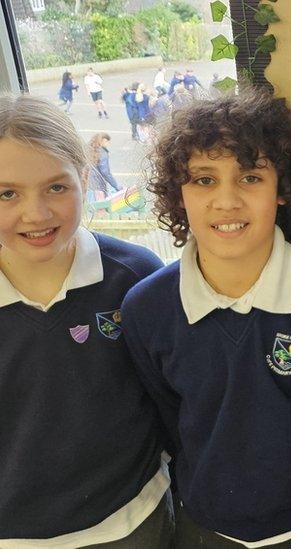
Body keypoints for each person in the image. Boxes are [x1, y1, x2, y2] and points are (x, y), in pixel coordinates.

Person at [123, 89, 291, 547]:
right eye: (203, 180)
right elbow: (169, 422)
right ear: (177, 194)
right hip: (211, 529)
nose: (226, 201)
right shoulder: (147, 309)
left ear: (282, 190)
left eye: (251, 177)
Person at [0, 94, 172, 546]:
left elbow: (171, 393)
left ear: (84, 177)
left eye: (57, 187)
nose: (35, 214)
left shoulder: (136, 276)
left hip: (136, 520)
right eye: (7, 193)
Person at [88, 132, 123, 200]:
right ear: (101, 141)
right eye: (107, 141)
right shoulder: (102, 153)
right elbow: (105, 172)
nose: (108, 144)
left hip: (86, 184)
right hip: (97, 185)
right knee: (100, 206)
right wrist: (116, 186)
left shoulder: (88, 149)